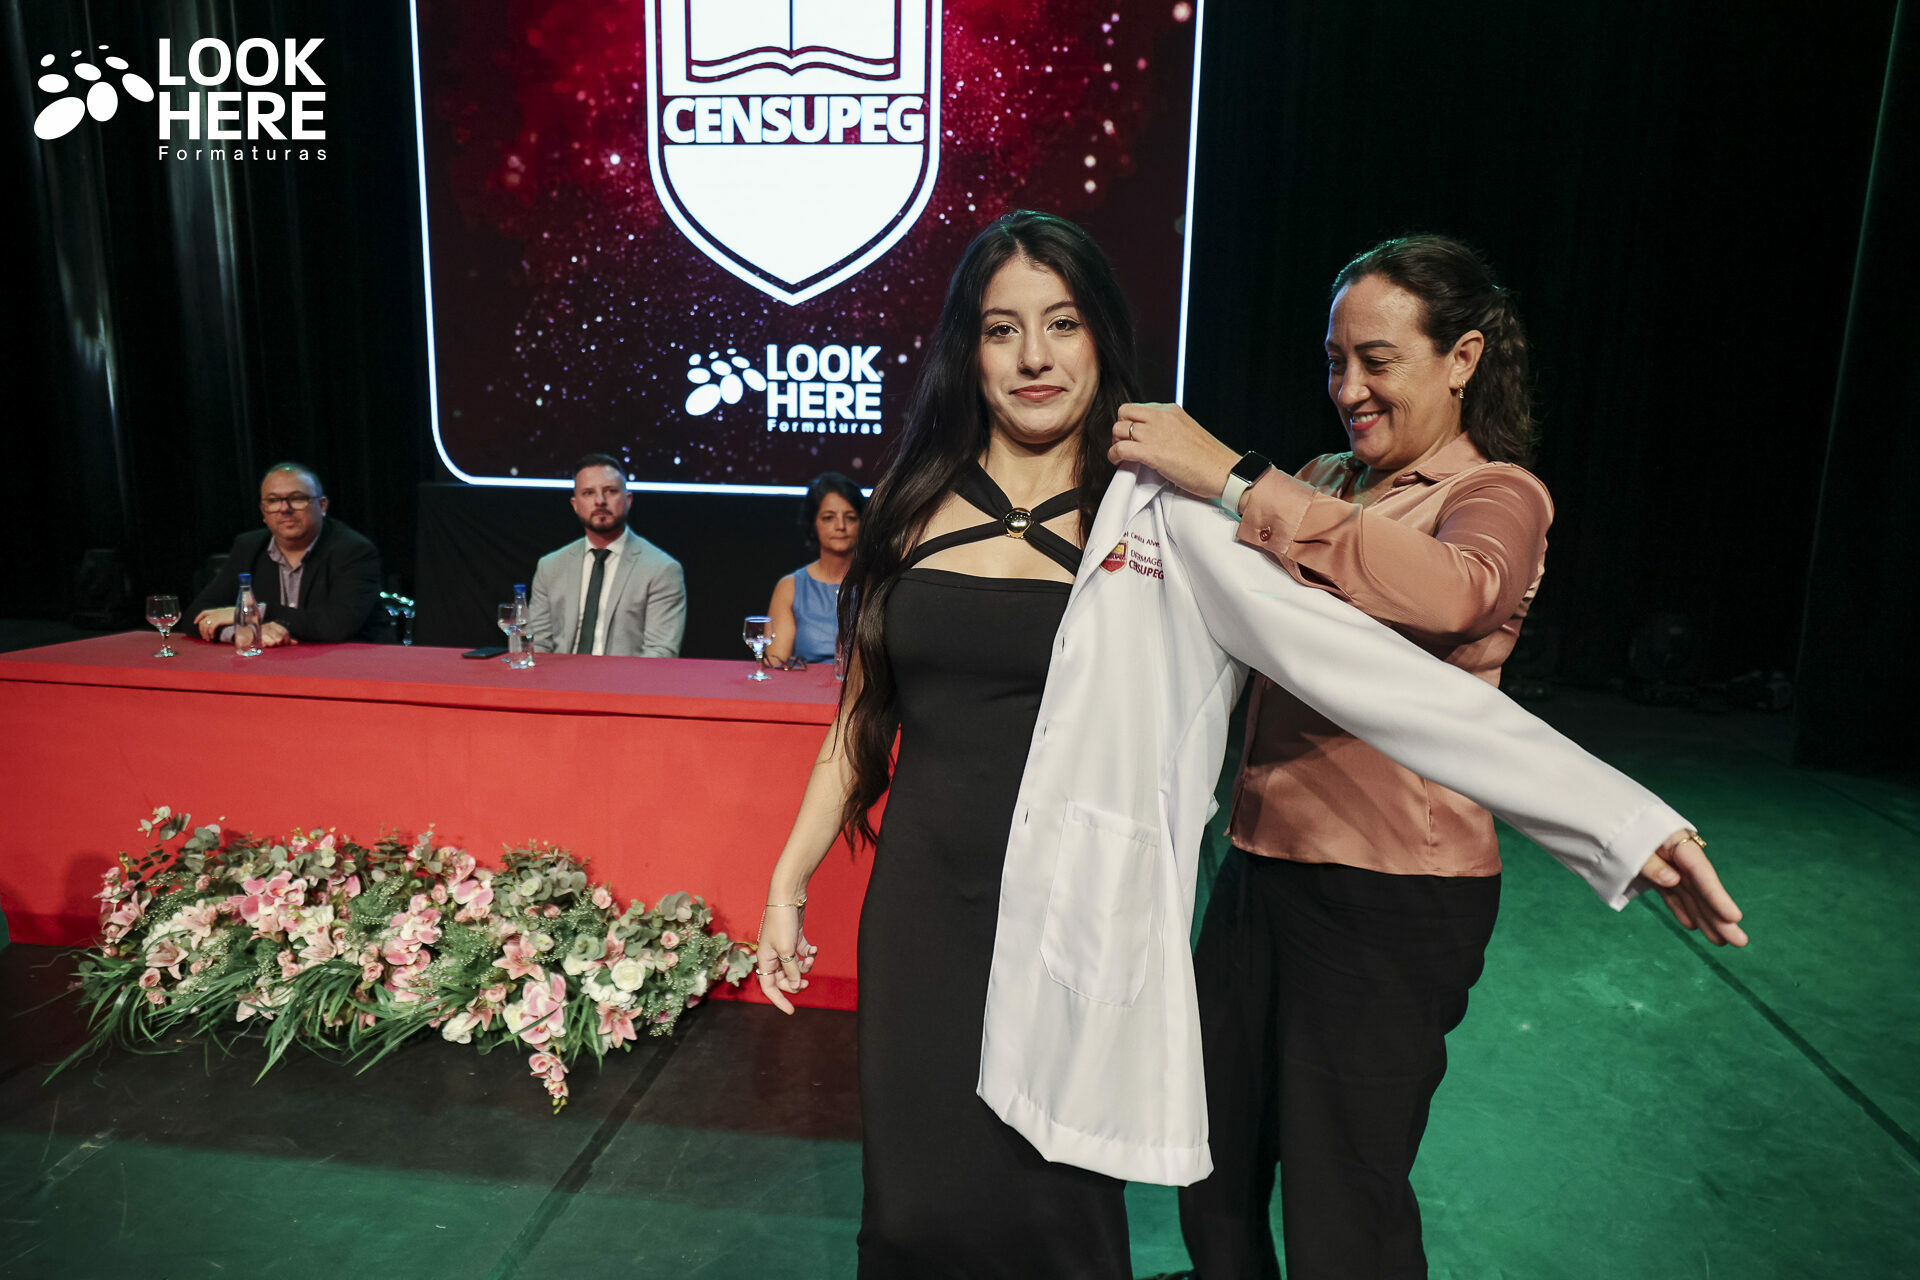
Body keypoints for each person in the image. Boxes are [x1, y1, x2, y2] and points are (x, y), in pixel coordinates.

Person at [752, 213, 1742, 1278]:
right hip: (921, 911)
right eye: (1003, 329)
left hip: (1069, 915)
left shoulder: (1164, 519)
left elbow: (1390, 682)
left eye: (1063, 323)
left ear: (1103, 339)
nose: (1034, 356)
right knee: (910, 1217)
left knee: (1055, 1229)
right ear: (969, 348)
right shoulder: (906, 507)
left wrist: (1618, 820)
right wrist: (787, 879)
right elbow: (860, 719)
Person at [1108, 235, 1745, 1279]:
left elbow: (1452, 591)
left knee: (1342, 1205)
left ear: (1463, 359)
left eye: (1377, 360)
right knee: (1208, 1167)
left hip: (1391, 898)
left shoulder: (1496, 494)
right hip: (1259, 874)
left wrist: (1232, 478)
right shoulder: (1323, 479)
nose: (1348, 389)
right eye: (1334, 362)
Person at [189, 462, 384, 645]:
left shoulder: (354, 551)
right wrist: (239, 633)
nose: (284, 509)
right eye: (273, 501)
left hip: (341, 663)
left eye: (297, 499)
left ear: (323, 505)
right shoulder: (248, 547)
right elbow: (195, 615)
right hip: (271, 664)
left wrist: (255, 613)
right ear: (263, 511)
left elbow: (338, 624)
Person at [526, 454, 686, 657]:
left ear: (628, 500)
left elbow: (660, 653)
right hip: (559, 675)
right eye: (588, 493)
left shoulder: (661, 569)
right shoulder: (550, 567)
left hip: (626, 677)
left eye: (610, 491)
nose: (600, 501)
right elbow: (537, 646)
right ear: (575, 505)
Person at [763, 472, 863, 667]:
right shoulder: (790, 587)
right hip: (804, 686)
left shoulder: (876, 585)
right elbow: (776, 664)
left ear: (862, 523)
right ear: (813, 525)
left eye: (850, 517)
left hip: (863, 685)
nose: (841, 526)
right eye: (828, 518)